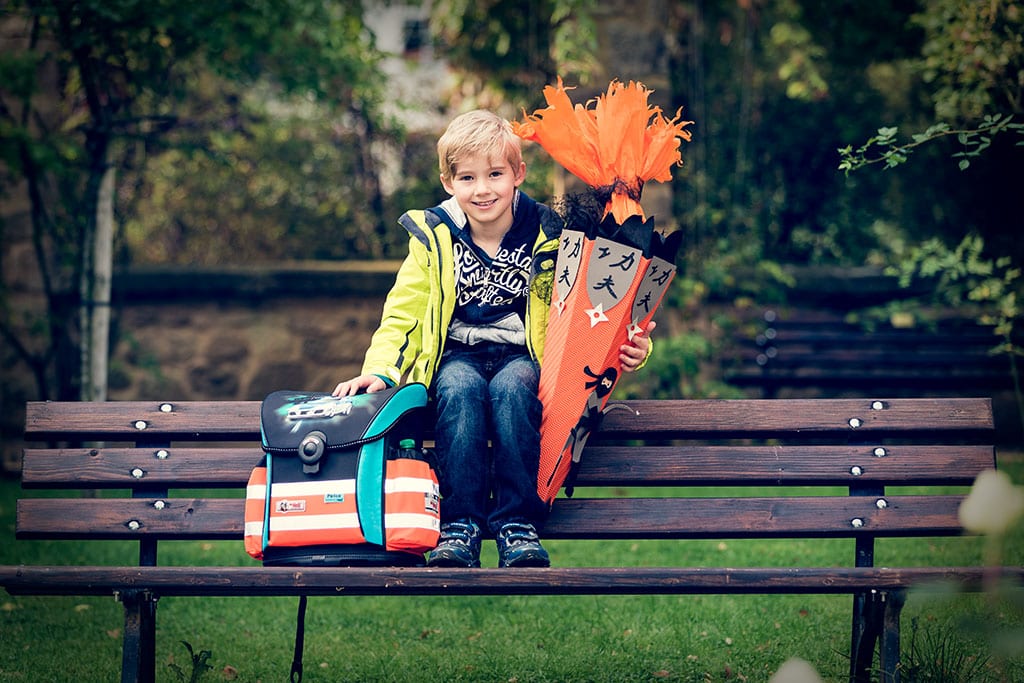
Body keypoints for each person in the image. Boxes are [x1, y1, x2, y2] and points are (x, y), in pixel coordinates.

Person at [333, 110, 653, 568]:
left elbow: (598, 307)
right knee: (459, 389)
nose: (482, 189)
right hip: (458, 354)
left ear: (518, 174)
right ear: (448, 181)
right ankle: (459, 523)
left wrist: (635, 350)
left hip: (521, 353)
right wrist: (380, 369)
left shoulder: (552, 232)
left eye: (495, 174)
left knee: (512, 388)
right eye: (467, 177)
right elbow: (401, 312)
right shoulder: (434, 236)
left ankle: (515, 523)